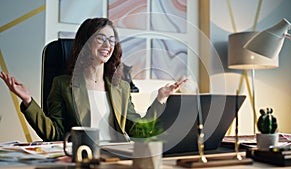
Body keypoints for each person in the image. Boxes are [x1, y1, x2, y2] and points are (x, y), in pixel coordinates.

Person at [0, 18, 186, 142]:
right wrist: (27, 101)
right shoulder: (63, 84)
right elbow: (54, 135)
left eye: (112, 40)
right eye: (101, 39)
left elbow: (136, 130)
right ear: (86, 43)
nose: (108, 45)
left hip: (117, 160)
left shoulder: (120, 87)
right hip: (84, 159)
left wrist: (160, 99)